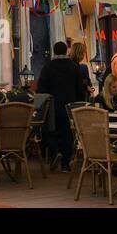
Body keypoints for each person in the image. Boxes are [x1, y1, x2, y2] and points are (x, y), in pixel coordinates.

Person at [36, 41, 84, 171]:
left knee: (50, 131)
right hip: (69, 106)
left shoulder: (48, 67)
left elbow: (41, 88)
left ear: (54, 51)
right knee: (67, 134)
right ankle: (65, 164)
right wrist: (79, 103)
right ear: (66, 51)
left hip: (52, 106)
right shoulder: (74, 67)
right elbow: (80, 88)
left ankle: (55, 151)